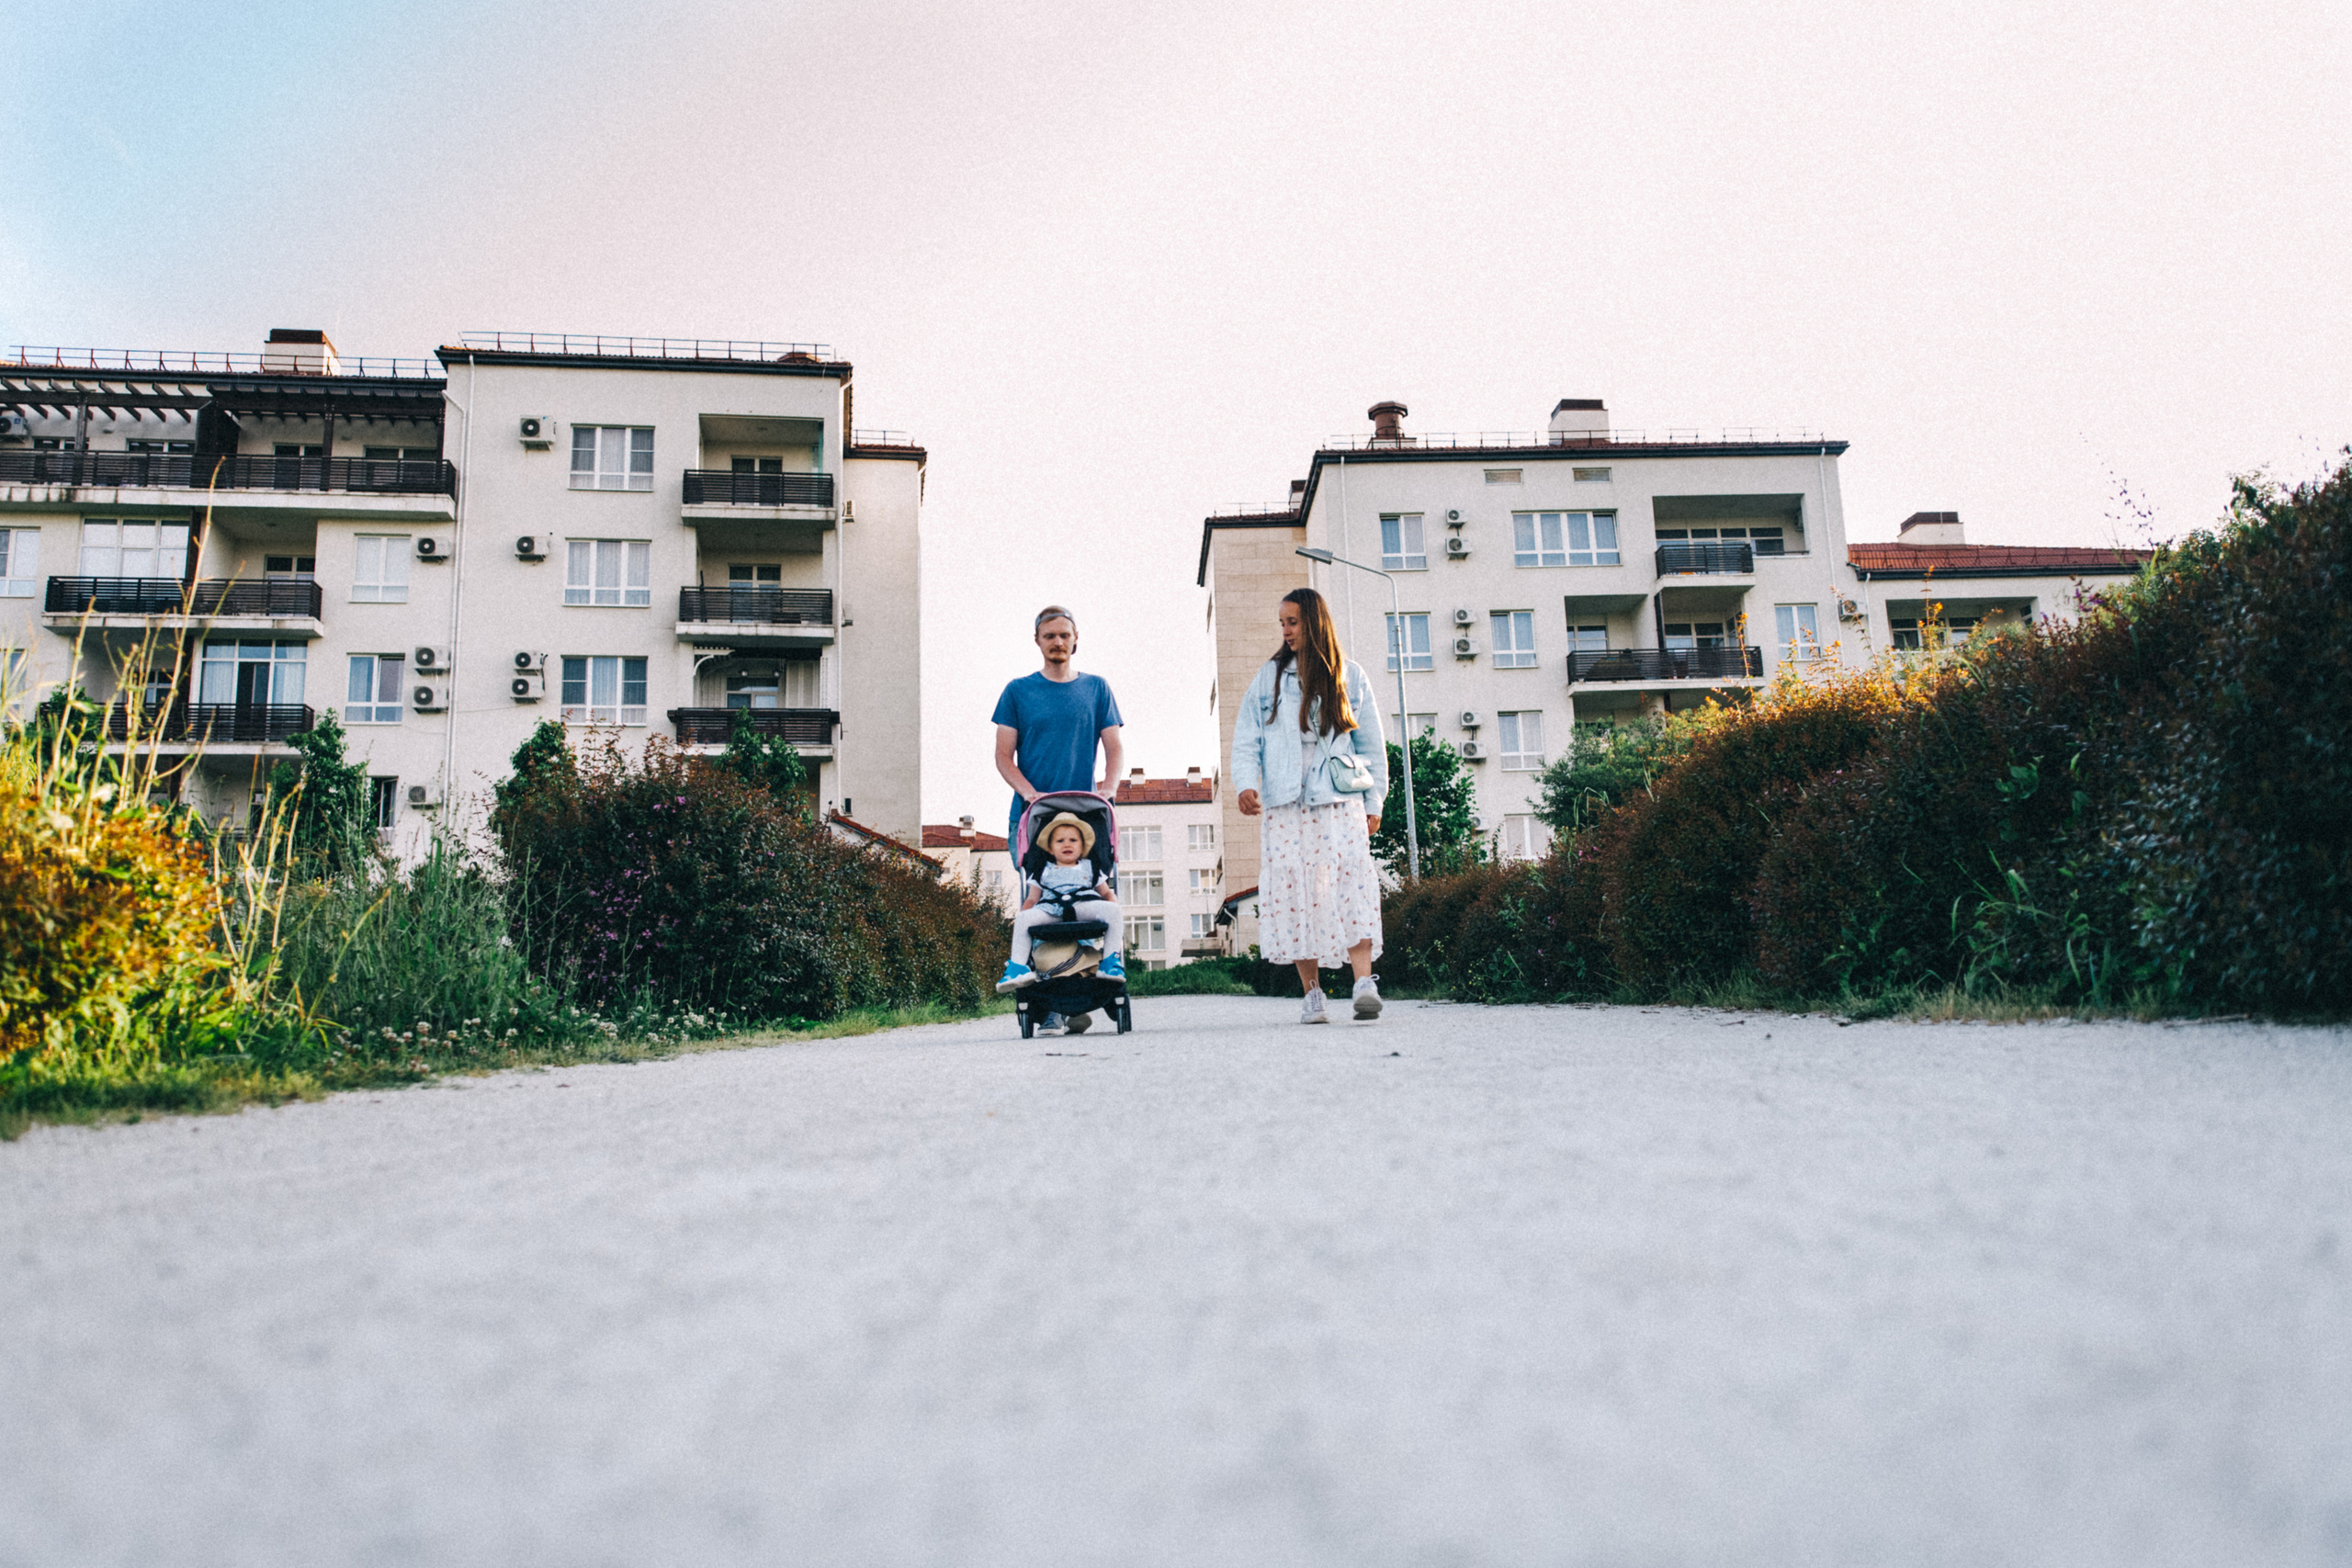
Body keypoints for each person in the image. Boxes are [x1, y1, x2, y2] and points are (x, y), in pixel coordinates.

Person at [1230, 586, 1389, 1024]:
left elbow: (1372, 746)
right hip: (1285, 803)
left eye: (1293, 622)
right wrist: (1245, 784)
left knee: (1350, 886)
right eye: (1282, 623)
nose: (1286, 631)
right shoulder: (1268, 678)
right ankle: (1313, 994)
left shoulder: (1349, 676)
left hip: (1339, 801)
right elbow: (1247, 738)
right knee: (1295, 892)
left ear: (1314, 622)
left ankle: (1363, 983)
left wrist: (1374, 800)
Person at [992, 604, 1125, 1033]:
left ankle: (1083, 993)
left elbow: (1114, 747)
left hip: (1084, 816)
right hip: (1031, 817)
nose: (1057, 642)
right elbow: (1002, 755)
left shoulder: (1096, 689)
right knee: (1041, 907)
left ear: (1075, 639)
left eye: (1064, 635)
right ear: (1037, 641)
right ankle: (1049, 1003)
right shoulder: (1018, 691)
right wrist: (1028, 792)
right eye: (1049, 635)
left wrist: (1108, 786)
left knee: (1092, 905)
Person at [997, 813, 1125, 992]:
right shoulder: (1042, 869)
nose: (1067, 844)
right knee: (1023, 919)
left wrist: (1112, 906)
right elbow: (1033, 899)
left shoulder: (1091, 867)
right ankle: (1017, 967)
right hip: (1050, 908)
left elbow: (1105, 893)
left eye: (1073, 840)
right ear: (1050, 848)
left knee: (1115, 910)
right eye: (1060, 841)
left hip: (1083, 906)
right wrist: (1025, 916)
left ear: (1082, 846)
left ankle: (1110, 961)